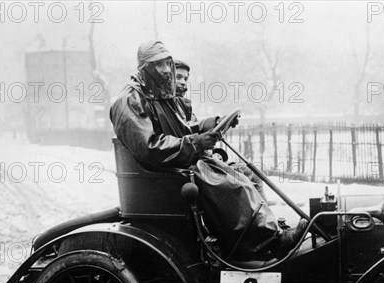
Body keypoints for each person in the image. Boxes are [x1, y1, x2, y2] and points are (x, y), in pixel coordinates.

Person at [110, 40, 306, 259]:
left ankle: (262, 234)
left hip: (176, 165)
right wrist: (196, 143)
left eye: (167, 63)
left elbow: (182, 129)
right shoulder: (130, 100)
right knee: (232, 183)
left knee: (241, 174)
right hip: (162, 176)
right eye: (158, 65)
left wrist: (213, 124)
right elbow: (150, 148)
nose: (166, 70)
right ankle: (260, 244)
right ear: (144, 67)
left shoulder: (156, 94)